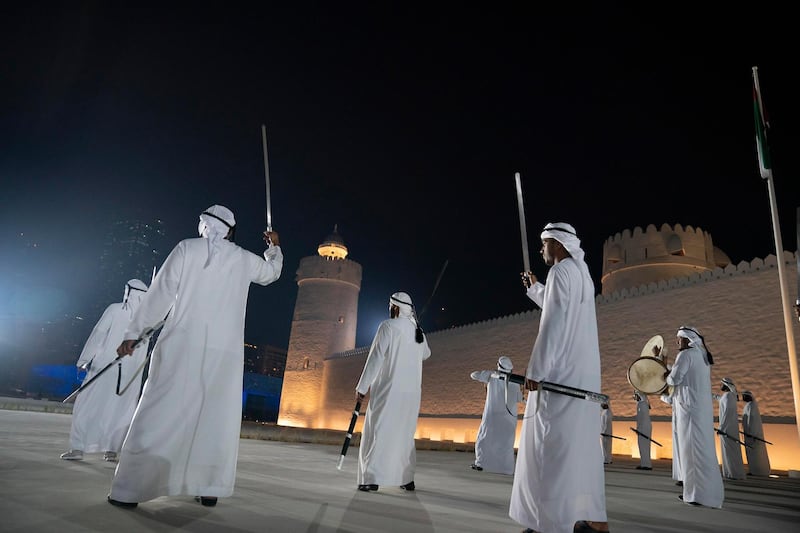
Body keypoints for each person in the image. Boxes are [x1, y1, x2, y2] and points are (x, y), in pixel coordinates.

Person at [107, 205, 283, 509]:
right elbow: (271, 274)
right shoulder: (242, 258)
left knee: (159, 410)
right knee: (213, 416)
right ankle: (208, 486)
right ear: (230, 231)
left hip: (181, 343)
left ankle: (130, 489)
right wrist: (274, 247)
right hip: (224, 353)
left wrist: (134, 333)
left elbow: (160, 294)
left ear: (203, 225)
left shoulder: (186, 249)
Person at [509, 222, 609, 533]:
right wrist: (534, 289)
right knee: (580, 451)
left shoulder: (562, 271)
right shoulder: (582, 273)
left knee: (548, 450)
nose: (541, 250)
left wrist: (536, 372)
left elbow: (553, 323)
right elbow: (562, 307)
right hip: (581, 377)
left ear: (559, 243)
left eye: (545, 243)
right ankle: (593, 520)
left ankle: (549, 523)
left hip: (559, 377)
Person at [61, 279, 150, 462]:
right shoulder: (148, 318)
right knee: (121, 410)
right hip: (129, 376)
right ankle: (112, 450)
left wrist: (84, 359)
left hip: (104, 367)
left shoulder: (115, 309)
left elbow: (99, 333)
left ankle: (78, 448)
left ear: (128, 292)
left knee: (87, 405)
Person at [354, 292, 431, 492]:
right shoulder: (418, 332)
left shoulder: (388, 326)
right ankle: (406, 478)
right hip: (411, 395)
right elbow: (426, 354)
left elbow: (375, 359)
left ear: (395, 307)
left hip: (388, 392)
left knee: (379, 431)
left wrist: (362, 388)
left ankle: (371, 477)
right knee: (404, 435)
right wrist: (415, 325)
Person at [665, 326, 724, 508]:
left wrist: (663, 370)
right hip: (700, 411)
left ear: (687, 339)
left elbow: (673, 380)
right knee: (703, 451)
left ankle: (695, 495)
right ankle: (709, 495)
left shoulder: (686, 355)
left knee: (690, 452)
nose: (677, 342)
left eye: (679, 339)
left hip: (688, 411)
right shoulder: (701, 356)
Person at [469, 355, 524, 475]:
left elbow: (473, 375)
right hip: (508, 419)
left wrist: (488, 375)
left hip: (492, 416)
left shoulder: (491, 375)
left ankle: (481, 463)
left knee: (484, 439)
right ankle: (506, 469)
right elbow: (520, 399)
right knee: (505, 444)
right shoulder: (514, 381)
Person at [716, 377, 746, 480]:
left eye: (721, 384)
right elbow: (719, 399)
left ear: (726, 385)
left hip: (727, 428)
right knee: (728, 451)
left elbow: (726, 413)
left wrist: (721, 427)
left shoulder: (728, 396)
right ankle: (729, 472)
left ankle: (732, 473)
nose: (720, 386)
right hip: (727, 427)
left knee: (729, 451)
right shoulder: (728, 396)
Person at [741, 390, 771, 476]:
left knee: (756, 454)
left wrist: (751, 433)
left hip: (752, 434)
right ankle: (753, 469)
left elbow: (752, 420)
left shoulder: (751, 406)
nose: (742, 398)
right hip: (748, 433)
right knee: (751, 454)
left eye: (744, 396)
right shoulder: (748, 406)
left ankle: (759, 471)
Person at [633, 390, 653, 470]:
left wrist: (639, 428)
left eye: (636, 395)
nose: (635, 397)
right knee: (642, 446)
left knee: (644, 446)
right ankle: (644, 463)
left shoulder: (643, 405)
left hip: (644, 428)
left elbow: (643, 418)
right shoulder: (641, 404)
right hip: (642, 427)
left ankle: (647, 464)